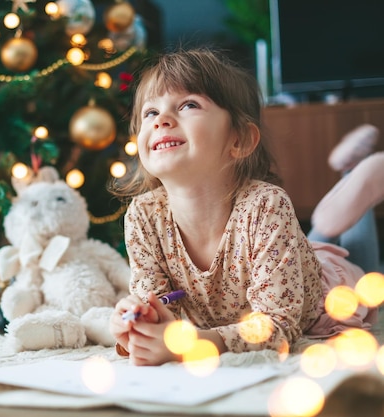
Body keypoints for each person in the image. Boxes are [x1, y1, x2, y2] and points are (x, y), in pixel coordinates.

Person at [109, 48, 381, 366]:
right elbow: (158, 304)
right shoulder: (143, 215)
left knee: (365, 266)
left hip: (326, 292)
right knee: (318, 234)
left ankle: (359, 172)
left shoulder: (266, 204)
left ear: (239, 140)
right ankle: (349, 177)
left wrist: (196, 344)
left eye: (188, 105)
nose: (162, 121)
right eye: (150, 113)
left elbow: (279, 326)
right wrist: (137, 322)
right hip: (291, 257)